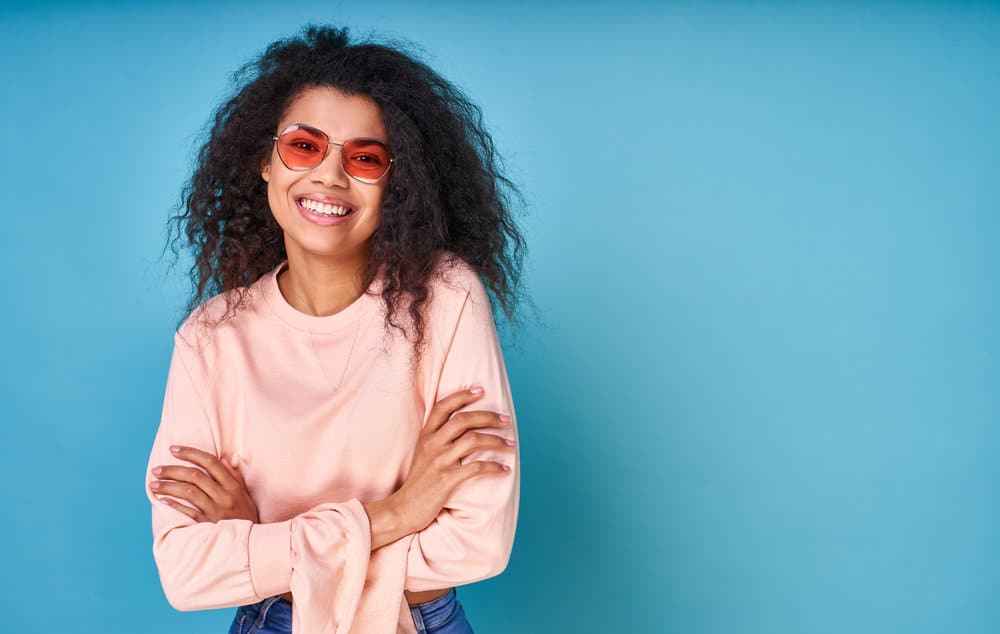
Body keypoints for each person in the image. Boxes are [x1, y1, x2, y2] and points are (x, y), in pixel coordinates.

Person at [143, 24, 527, 634]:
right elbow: (187, 575)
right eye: (304, 146)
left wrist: (265, 544)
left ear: (395, 184)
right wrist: (399, 513)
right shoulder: (210, 339)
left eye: (364, 158)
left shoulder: (446, 299)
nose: (330, 175)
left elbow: (477, 546)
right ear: (264, 162)